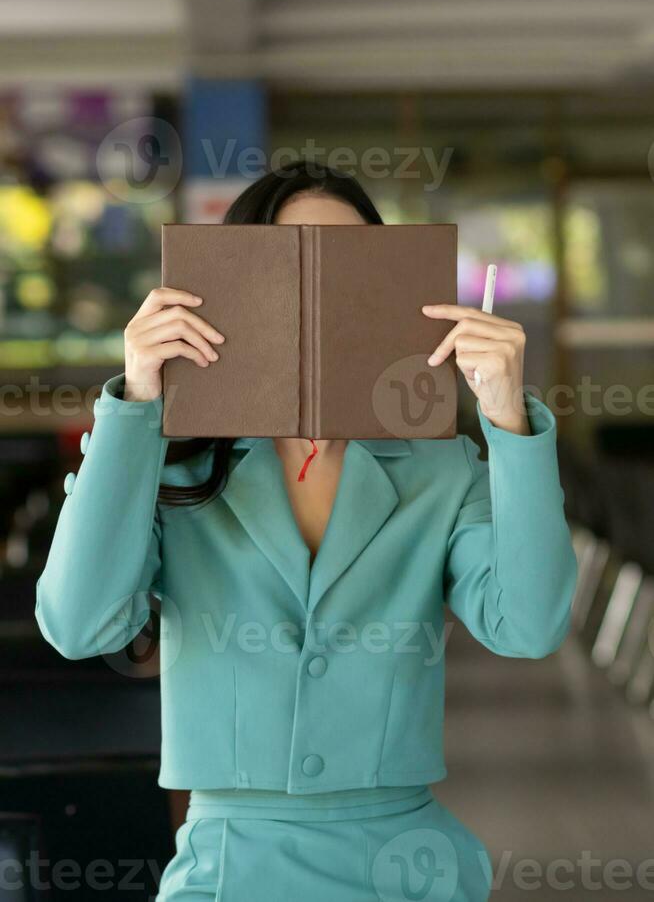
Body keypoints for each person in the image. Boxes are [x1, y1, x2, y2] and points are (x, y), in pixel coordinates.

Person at [35, 161, 578, 901]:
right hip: (228, 866)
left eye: (349, 269)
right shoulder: (168, 462)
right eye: (291, 265)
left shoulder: (437, 467)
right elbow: (78, 623)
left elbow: (531, 623)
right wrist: (135, 402)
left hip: (405, 867)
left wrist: (510, 424)